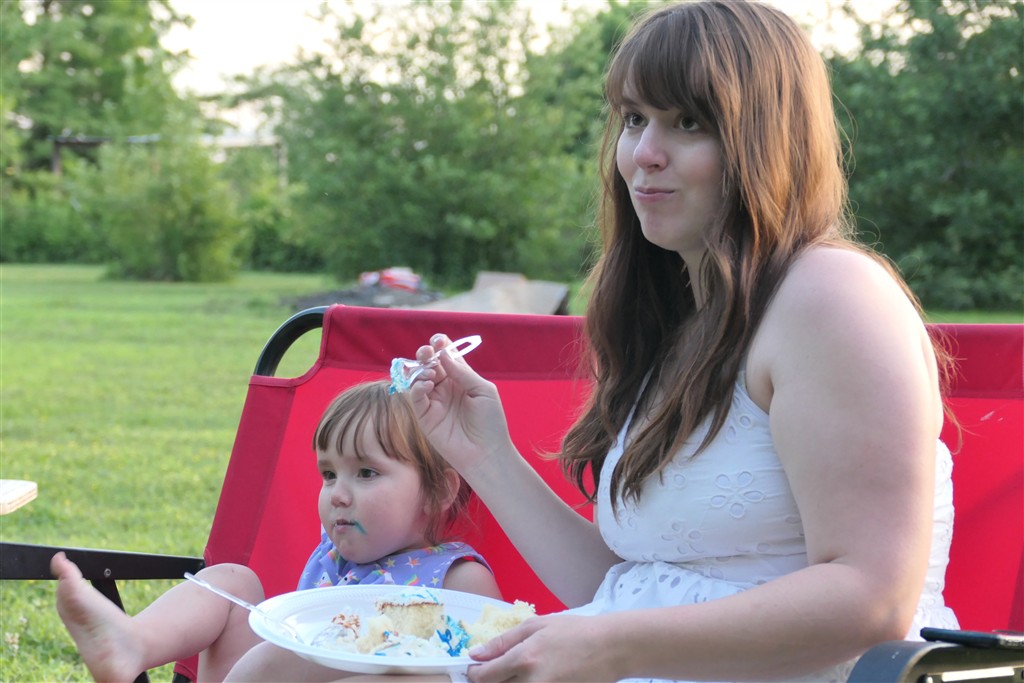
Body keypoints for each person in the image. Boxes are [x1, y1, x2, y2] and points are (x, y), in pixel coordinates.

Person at [406, 2, 960, 682]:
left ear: (767, 139)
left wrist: (610, 646)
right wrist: (486, 455)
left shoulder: (831, 297)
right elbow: (630, 590)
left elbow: (871, 600)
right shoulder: (685, 322)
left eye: (688, 122)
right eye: (634, 119)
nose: (644, 153)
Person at [51, 380, 501, 682]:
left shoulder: (459, 580)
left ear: (439, 490)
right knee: (233, 582)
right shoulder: (333, 556)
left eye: (366, 473)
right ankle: (134, 642)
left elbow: (487, 670)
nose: (337, 495)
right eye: (329, 475)